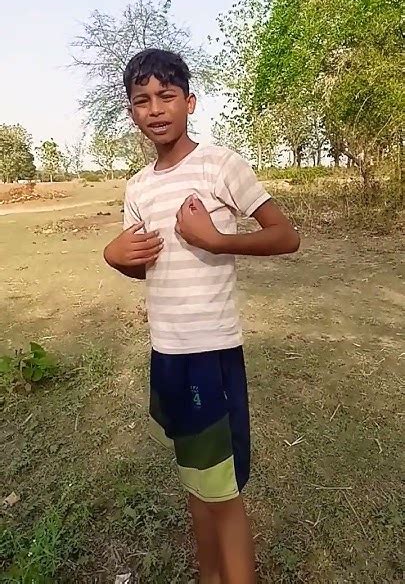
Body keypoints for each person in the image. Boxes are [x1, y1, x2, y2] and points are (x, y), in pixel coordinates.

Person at [103, 48, 300, 584]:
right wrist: (116, 258)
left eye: (166, 96)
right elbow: (148, 268)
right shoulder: (138, 187)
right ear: (131, 112)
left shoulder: (220, 165)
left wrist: (216, 240)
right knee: (196, 485)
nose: (155, 109)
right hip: (166, 354)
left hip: (209, 356)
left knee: (224, 497)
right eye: (142, 100)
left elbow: (286, 236)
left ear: (189, 102)